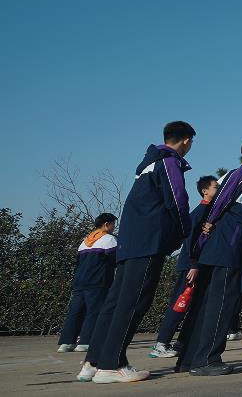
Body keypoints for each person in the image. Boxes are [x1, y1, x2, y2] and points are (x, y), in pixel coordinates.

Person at [78, 121, 195, 384]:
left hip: (130, 242)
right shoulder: (169, 161)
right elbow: (177, 200)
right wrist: (184, 232)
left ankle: (93, 362)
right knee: (134, 303)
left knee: (115, 303)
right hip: (148, 242)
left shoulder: (147, 163)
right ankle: (112, 365)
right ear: (186, 140)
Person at [178, 137, 242, 375]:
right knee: (221, 304)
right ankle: (207, 359)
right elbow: (220, 201)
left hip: (222, 249)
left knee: (206, 304)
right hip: (226, 250)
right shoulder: (241, 175)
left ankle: (189, 359)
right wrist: (209, 223)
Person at [149, 175, 218, 358]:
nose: (218, 190)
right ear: (205, 191)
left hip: (198, 265)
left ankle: (181, 343)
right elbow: (189, 239)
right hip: (190, 267)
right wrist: (193, 264)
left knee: (193, 306)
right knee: (180, 304)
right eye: (215, 187)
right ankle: (161, 344)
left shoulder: (211, 211)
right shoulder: (201, 211)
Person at [58, 213, 117, 353]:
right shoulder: (109, 239)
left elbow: (78, 263)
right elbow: (116, 259)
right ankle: (85, 342)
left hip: (79, 281)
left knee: (75, 312)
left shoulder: (84, 242)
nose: (114, 228)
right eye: (113, 224)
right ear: (106, 224)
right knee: (94, 311)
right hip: (97, 281)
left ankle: (66, 343)